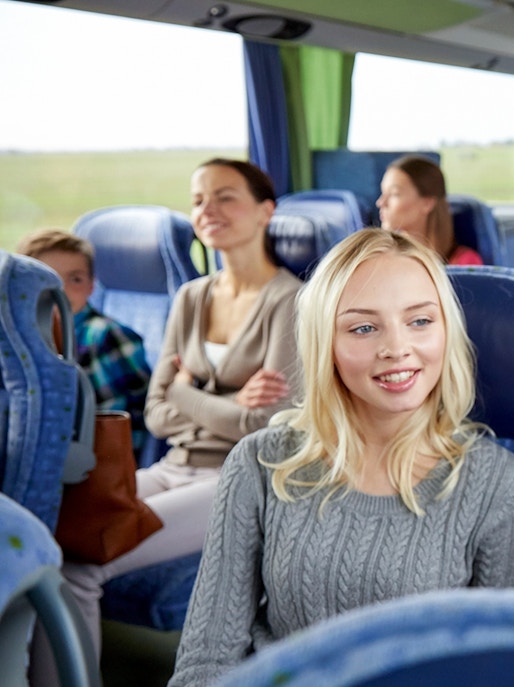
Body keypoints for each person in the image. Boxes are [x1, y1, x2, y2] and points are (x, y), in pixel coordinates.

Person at [168, 229, 514, 685]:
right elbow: (206, 660)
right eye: (363, 328)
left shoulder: (500, 488)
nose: (396, 348)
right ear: (326, 344)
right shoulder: (260, 464)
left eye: (420, 321)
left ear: (448, 330)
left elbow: (495, 673)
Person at [49, 159, 304, 672]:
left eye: (226, 196)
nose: (208, 209)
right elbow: (156, 413)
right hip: (173, 466)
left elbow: (266, 427)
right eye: (198, 200)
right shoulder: (190, 296)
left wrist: (188, 391)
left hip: (241, 480)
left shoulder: (291, 302)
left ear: (265, 211)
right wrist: (227, 405)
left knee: (83, 565)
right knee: (48, 536)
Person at [15, 228, 152, 456]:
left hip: (86, 462)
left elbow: (113, 427)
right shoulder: (19, 338)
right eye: (48, 279)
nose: (62, 290)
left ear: (91, 286)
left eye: (75, 279)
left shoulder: (104, 336)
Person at [377, 154, 483, 265]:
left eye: (394, 194)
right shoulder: (383, 259)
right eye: (383, 192)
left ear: (427, 203)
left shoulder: (465, 263)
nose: (381, 203)